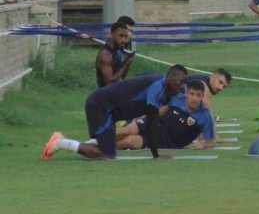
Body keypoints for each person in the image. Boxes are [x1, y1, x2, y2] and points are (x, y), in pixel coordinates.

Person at [41, 65, 188, 160]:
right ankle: (60, 143)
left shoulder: (165, 86)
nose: (181, 85)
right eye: (180, 81)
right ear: (170, 77)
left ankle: (74, 143)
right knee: (108, 154)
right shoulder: (156, 86)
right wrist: (156, 155)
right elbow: (151, 120)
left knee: (107, 145)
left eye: (184, 83)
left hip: (108, 110)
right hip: (101, 106)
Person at [115, 80, 215, 150]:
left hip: (165, 140)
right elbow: (165, 109)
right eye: (192, 94)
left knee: (130, 141)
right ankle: (105, 139)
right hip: (156, 123)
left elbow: (211, 142)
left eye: (198, 95)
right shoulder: (177, 98)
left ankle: (108, 148)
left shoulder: (205, 116)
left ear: (202, 96)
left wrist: (203, 145)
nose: (194, 98)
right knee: (126, 130)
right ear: (187, 93)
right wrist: (145, 117)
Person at [95, 22, 134, 88]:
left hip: (116, 92)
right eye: (120, 35)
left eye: (125, 36)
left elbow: (119, 77)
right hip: (106, 93)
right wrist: (125, 65)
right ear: (111, 34)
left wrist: (126, 64)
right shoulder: (105, 55)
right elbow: (109, 83)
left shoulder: (116, 51)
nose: (123, 40)